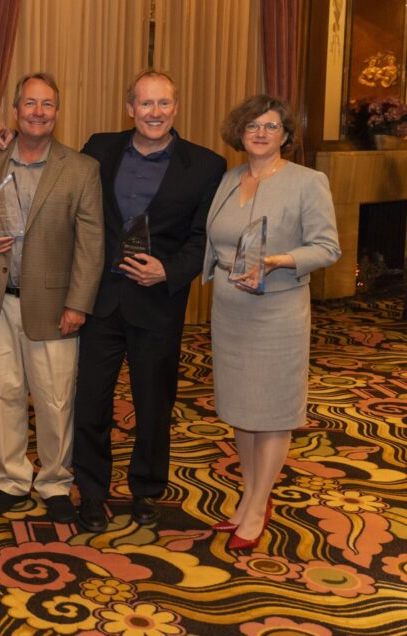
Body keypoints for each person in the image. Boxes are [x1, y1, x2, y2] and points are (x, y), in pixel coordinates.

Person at [68, 70, 227, 533]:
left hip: (157, 303)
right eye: (145, 104)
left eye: (163, 104)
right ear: (129, 108)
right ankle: (92, 493)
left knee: (154, 405)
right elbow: (59, 178)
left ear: (175, 108)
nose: (154, 113)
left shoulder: (205, 165)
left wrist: (170, 271)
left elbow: (203, 238)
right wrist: (6, 141)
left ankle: (146, 491)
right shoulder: (99, 148)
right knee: (90, 403)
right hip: (100, 300)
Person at [0, 73, 104, 523]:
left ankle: (56, 481)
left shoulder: (81, 168)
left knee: (56, 398)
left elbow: (91, 243)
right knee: (4, 393)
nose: (38, 112)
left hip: (55, 306)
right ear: (15, 110)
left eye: (47, 105)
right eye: (30, 104)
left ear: (57, 113)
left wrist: (78, 304)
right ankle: (11, 479)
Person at [202, 95, 340, 550]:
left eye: (271, 126)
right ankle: (248, 494)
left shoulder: (307, 181)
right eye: (252, 126)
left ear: (285, 135)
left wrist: (281, 260)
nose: (260, 133)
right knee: (241, 408)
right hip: (229, 311)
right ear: (239, 133)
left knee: (274, 411)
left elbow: (327, 247)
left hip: (277, 312)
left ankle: (259, 504)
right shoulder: (227, 179)